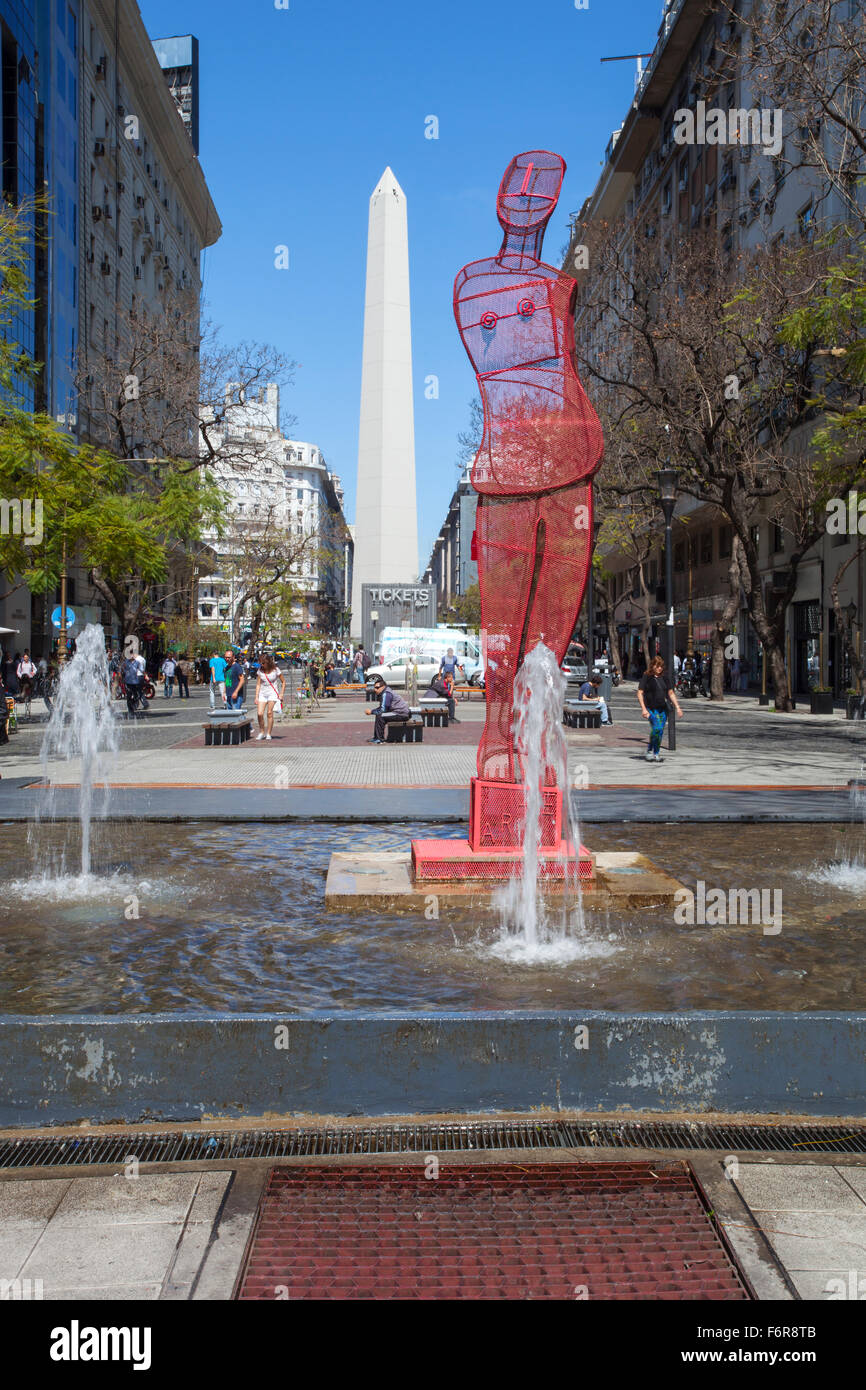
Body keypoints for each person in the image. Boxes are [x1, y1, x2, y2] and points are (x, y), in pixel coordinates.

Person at [637, 654, 684, 763]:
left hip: (663, 709)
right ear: (652, 665)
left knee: (660, 731)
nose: (659, 668)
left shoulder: (665, 677)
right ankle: (651, 751)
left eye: (661, 666)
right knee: (657, 729)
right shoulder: (647, 676)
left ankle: (654, 752)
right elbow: (640, 693)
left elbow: (670, 693)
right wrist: (643, 708)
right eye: (657, 666)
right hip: (651, 708)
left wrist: (678, 707)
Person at [365, 675, 410, 744]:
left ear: (383, 687)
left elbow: (383, 710)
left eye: (377, 688)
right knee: (379, 715)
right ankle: (377, 737)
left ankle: (379, 739)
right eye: (374, 688)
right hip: (399, 712)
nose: (375, 689)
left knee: (380, 716)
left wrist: (371, 712)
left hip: (401, 713)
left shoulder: (386, 693)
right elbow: (384, 708)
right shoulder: (385, 691)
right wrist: (374, 711)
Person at [254, 653, 285, 740]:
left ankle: (268, 733)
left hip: (272, 693)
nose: (262, 665)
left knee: (269, 713)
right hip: (263, 693)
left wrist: (281, 693)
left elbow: (283, 682)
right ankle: (261, 731)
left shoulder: (276, 670)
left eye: (263, 663)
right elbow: (258, 684)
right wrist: (256, 696)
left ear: (268, 662)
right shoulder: (260, 671)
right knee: (260, 713)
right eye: (261, 663)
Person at [121, 651, 144, 717]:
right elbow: (122, 669)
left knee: (137, 696)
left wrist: (146, 675)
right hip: (128, 681)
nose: (131, 656)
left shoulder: (137, 662)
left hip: (135, 681)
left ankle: (133, 705)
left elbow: (141, 669)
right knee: (128, 696)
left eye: (132, 654)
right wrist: (122, 672)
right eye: (130, 654)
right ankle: (130, 711)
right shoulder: (126, 662)